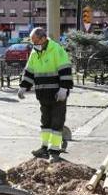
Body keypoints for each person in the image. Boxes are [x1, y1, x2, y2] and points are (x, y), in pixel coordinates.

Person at [17, 27, 73, 158]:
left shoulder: (56, 50)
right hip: (43, 94)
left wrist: (64, 88)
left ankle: (54, 149)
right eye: (32, 42)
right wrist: (23, 86)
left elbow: (65, 69)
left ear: (43, 38)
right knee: (45, 122)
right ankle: (44, 147)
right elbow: (29, 71)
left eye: (36, 42)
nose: (34, 45)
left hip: (57, 94)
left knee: (57, 122)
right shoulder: (35, 52)